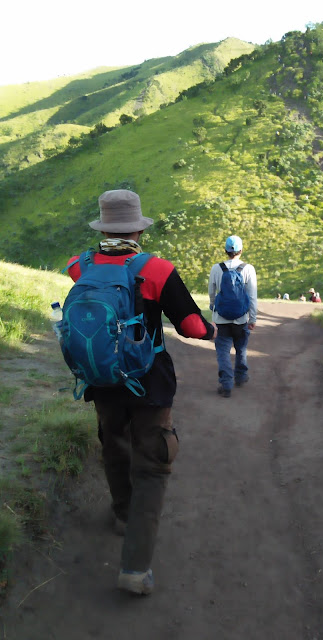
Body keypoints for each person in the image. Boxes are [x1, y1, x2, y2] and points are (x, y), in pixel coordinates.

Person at [65, 189, 217, 595]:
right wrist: (213, 330)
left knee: (114, 444)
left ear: (103, 225)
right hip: (147, 382)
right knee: (153, 463)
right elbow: (191, 327)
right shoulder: (156, 270)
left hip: (101, 378)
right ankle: (134, 568)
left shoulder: (78, 266)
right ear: (137, 228)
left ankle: (121, 513)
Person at [208, 235, 257, 398]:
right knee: (241, 348)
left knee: (223, 351)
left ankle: (226, 384)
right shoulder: (248, 269)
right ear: (241, 250)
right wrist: (253, 318)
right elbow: (252, 296)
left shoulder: (216, 268)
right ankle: (241, 377)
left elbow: (212, 292)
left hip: (221, 319)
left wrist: (213, 308)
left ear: (225, 250)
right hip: (241, 318)